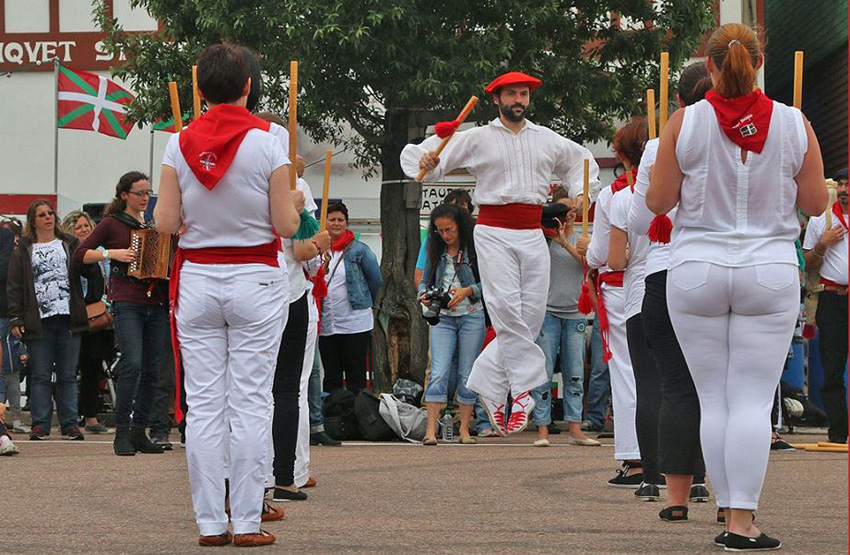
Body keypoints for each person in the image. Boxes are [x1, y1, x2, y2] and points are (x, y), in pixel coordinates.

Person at [647, 23, 826, 551]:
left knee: (713, 399)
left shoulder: (685, 121)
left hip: (696, 266)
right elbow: (816, 205)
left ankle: (729, 507)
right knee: (750, 400)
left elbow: (658, 202)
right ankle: (739, 519)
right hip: (768, 268)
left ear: (710, 62)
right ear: (758, 60)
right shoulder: (794, 123)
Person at [155, 43, 303, 547]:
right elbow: (285, 223)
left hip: (198, 278)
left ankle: (210, 524)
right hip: (255, 280)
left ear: (198, 89)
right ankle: (244, 520)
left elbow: (165, 223)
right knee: (251, 403)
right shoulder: (269, 139)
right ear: (248, 86)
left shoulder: (178, 144)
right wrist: (298, 199)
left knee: (204, 406)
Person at [402, 71, 600, 435]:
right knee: (507, 308)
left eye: (523, 94)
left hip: (531, 231)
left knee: (531, 317)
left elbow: (581, 160)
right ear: (496, 99)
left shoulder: (546, 139)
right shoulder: (478, 137)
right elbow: (426, 155)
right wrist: (426, 162)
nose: (518, 100)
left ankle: (491, 388)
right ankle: (522, 390)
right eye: (511, 94)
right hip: (493, 231)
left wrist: (581, 191)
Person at [625, 62, 713, 519]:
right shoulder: (752, 135)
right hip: (723, 268)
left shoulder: (660, 146)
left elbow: (642, 223)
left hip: (664, 273)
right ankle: (729, 501)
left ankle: (676, 495)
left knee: (674, 387)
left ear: (678, 102)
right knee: (727, 391)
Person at [75, 171, 169, 456]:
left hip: (156, 302)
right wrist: (111, 254)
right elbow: (81, 254)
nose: (145, 198)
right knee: (133, 364)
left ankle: (140, 431)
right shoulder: (112, 224)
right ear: (124, 195)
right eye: (140, 193)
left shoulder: (153, 224)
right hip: (128, 300)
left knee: (153, 369)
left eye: (147, 193)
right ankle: (122, 433)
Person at [578, 122, 642, 487]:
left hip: (624, 290)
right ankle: (685, 463)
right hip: (673, 286)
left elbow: (604, 254)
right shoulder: (679, 188)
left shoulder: (614, 196)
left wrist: (588, 253)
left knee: (627, 372)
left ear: (619, 155)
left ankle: (636, 457)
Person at [8, 200, 94, 442]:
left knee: (68, 374)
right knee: (40, 375)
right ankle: (40, 423)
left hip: (68, 317)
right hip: (39, 319)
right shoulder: (23, 248)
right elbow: (14, 286)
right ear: (32, 220)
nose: (47, 217)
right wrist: (16, 317)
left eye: (50, 213)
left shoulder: (69, 243)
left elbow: (89, 271)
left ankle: (69, 424)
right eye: (42, 215)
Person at [533, 187, 599, 448]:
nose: (567, 215)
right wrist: (550, 233)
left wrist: (565, 243)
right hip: (548, 311)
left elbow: (589, 263)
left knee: (574, 372)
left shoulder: (585, 238)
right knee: (544, 370)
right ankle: (542, 428)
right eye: (561, 211)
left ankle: (575, 427)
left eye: (571, 210)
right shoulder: (542, 240)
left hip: (576, 313)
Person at [418, 203, 485, 445]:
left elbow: (491, 283)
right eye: (440, 231)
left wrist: (468, 290)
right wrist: (425, 295)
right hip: (443, 317)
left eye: (450, 230)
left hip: (472, 314)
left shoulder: (475, 249)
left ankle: (465, 429)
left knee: (468, 373)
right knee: (438, 371)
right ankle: (430, 431)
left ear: (461, 227)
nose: (445, 235)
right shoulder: (434, 249)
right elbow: (424, 282)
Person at [318, 202, 382, 395]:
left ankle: (357, 417)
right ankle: (333, 418)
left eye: (341, 220)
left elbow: (375, 280)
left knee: (356, 373)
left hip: (355, 322)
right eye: (332, 219)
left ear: (347, 222)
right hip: (328, 323)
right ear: (325, 222)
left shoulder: (359, 250)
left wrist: (365, 303)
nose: (336, 223)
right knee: (331, 374)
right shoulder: (317, 249)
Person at [802, 168, 847, 444]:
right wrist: (823, 244)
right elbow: (807, 262)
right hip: (831, 299)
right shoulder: (821, 220)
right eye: (841, 184)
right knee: (832, 369)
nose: (844, 190)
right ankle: (839, 433)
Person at [62, 210, 114, 434]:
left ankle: (91, 417)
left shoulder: (102, 254)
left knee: (93, 368)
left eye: (86, 226)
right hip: (72, 317)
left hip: (98, 317)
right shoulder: (65, 254)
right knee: (68, 370)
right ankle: (69, 417)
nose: (84, 230)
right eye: (78, 227)